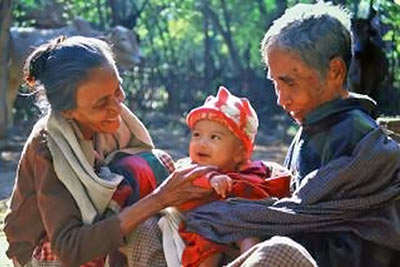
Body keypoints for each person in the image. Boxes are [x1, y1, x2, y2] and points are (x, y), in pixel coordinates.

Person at [182, 2, 400, 267]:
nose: (280, 99)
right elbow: (295, 210)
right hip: (303, 246)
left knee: (270, 249)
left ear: (335, 71)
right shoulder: (313, 127)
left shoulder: (353, 133)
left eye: (290, 83)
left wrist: (232, 216)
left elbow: (300, 216)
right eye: (275, 83)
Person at [4, 35, 215, 266]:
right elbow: (69, 248)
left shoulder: (117, 127)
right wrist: (159, 199)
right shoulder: (50, 147)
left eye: (118, 90)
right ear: (67, 112)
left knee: (152, 167)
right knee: (134, 194)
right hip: (46, 254)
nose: (117, 107)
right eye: (101, 104)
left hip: (93, 230)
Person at [158, 86, 291, 267]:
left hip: (238, 222)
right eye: (196, 135)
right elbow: (188, 179)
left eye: (214, 137)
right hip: (205, 226)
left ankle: (252, 263)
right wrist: (211, 179)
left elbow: (262, 189)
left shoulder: (251, 170)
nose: (202, 142)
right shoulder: (190, 167)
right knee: (206, 250)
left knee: (250, 237)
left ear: (239, 153)